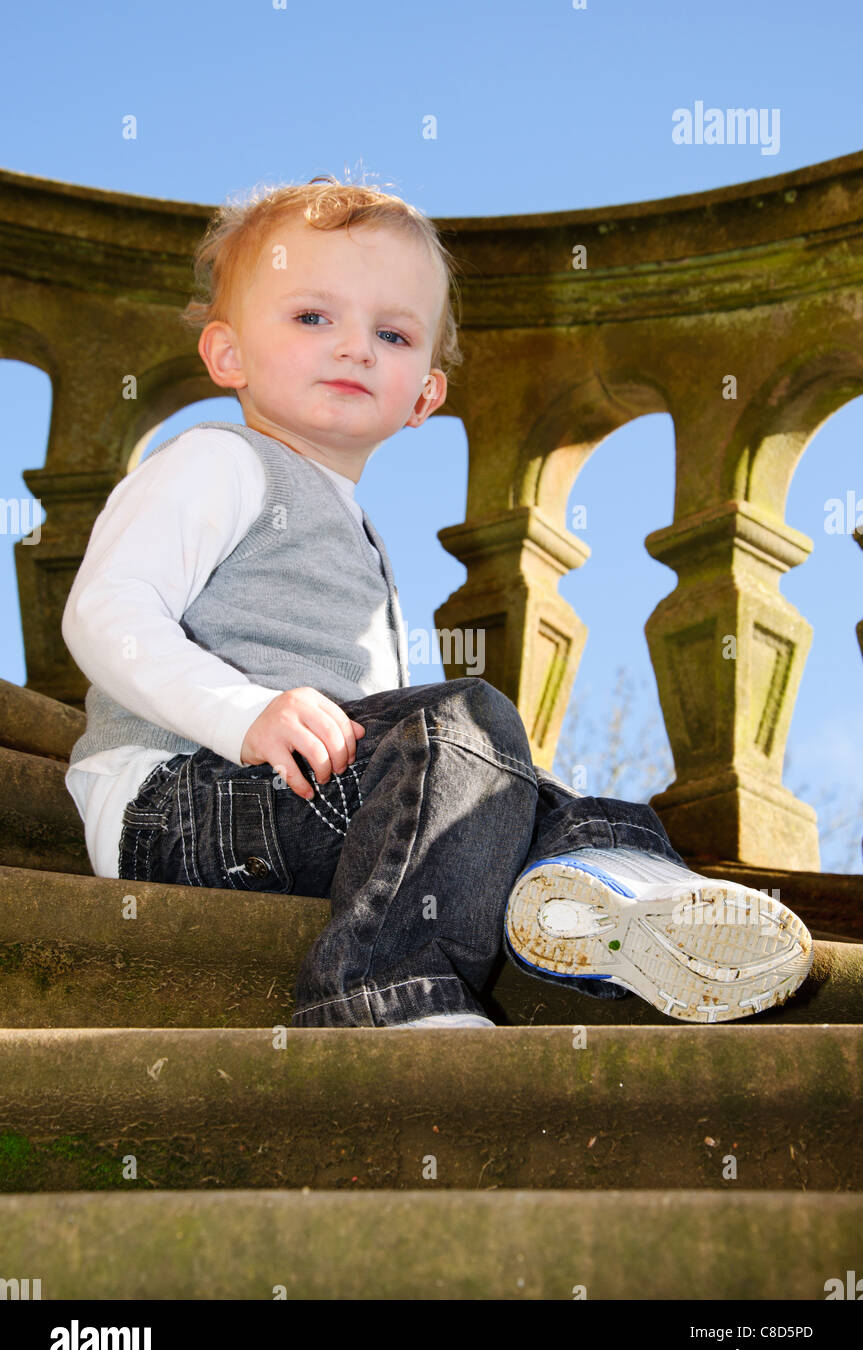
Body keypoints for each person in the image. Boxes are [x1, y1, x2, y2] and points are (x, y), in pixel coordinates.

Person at [62, 176, 813, 1029]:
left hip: (299, 805)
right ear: (227, 354)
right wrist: (241, 711)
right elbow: (105, 612)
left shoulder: (356, 529)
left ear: (423, 394)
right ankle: (387, 993)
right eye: (313, 317)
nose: (353, 348)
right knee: (460, 724)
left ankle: (610, 891)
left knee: (513, 785)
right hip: (175, 803)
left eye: (390, 332)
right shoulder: (216, 462)